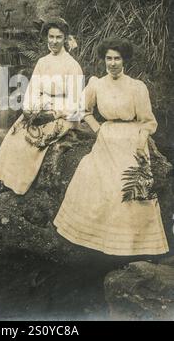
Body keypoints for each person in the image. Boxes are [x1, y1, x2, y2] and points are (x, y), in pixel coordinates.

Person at [54, 37, 169, 256]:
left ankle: (132, 246)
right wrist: (97, 128)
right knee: (94, 178)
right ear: (103, 60)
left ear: (124, 60)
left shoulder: (137, 87)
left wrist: (142, 140)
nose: (113, 63)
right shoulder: (97, 84)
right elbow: (83, 110)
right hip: (106, 137)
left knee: (128, 187)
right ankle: (97, 240)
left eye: (117, 58)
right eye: (109, 58)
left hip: (131, 136)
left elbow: (148, 121)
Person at [0, 18, 83, 198]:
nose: (54, 41)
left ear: (65, 38)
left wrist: (52, 114)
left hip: (63, 115)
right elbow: (33, 91)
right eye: (51, 37)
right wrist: (30, 109)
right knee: (14, 134)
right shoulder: (43, 62)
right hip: (41, 109)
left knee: (31, 141)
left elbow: (75, 103)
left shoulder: (72, 66)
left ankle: (15, 184)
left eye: (58, 37)